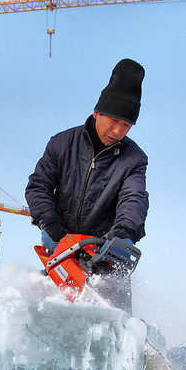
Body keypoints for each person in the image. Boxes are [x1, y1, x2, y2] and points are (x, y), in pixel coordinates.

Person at [25, 58, 148, 313]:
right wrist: (53, 225)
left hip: (103, 250)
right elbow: (38, 186)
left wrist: (122, 233)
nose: (116, 131)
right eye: (113, 120)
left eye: (126, 125)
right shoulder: (62, 144)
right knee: (53, 316)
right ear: (97, 112)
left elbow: (133, 198)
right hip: (59, 244)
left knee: (113, 313)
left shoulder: (134, 158)